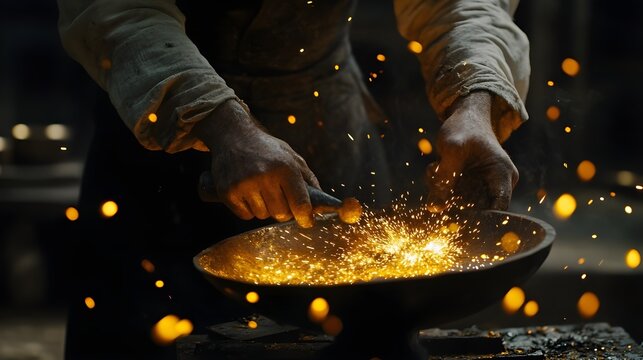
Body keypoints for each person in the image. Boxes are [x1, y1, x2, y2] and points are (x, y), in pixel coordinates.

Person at [57, 0, 529, 358]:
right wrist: (223, 127)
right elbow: (118, 10)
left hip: (325, 116)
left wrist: (476, 99)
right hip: (154, 119)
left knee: (360, 331)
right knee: (142, 338)